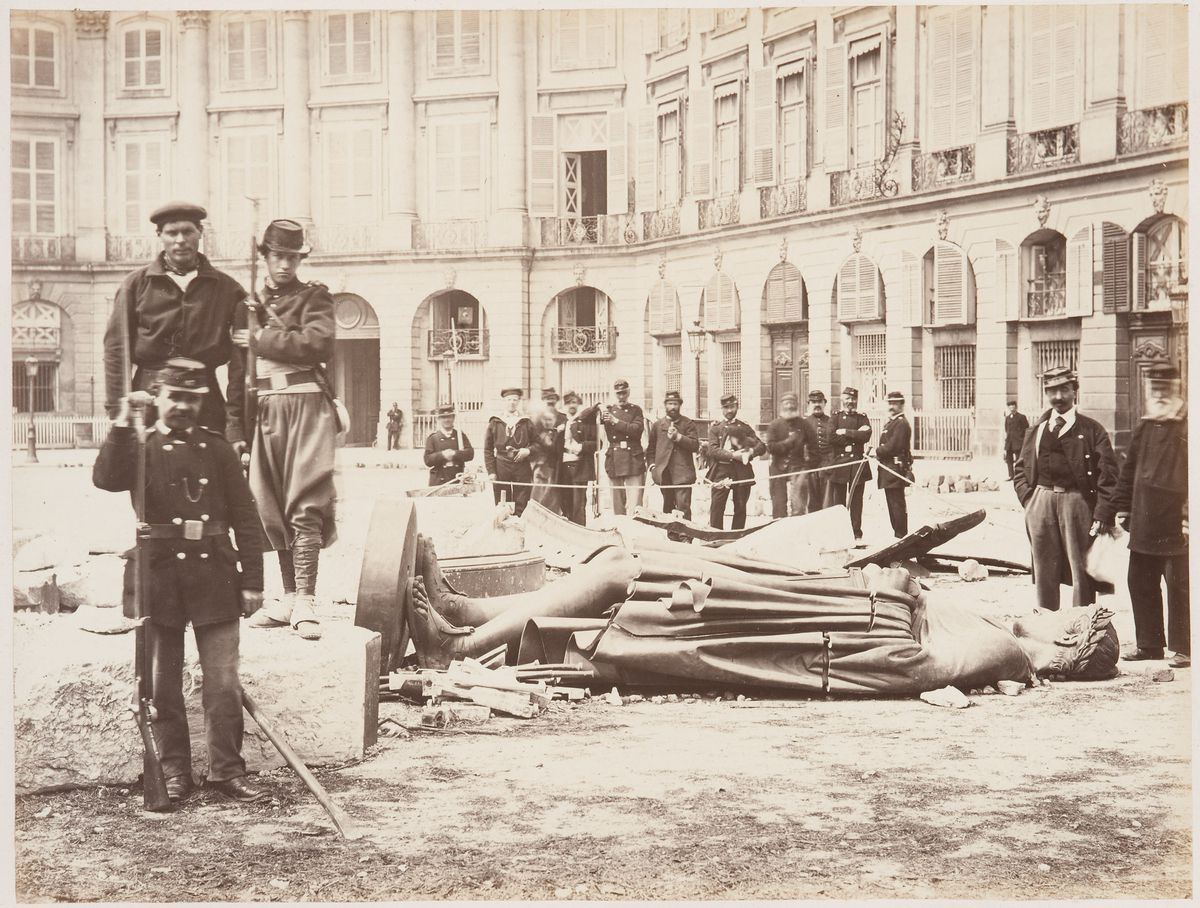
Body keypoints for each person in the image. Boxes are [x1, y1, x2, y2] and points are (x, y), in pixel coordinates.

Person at [404, 526, 1120, 694]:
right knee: (619, 570)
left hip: (797, 618)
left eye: (1065, 621)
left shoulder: (1005, 652)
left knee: (625, 576)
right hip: (807, 599)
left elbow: (906, 663)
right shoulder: (1002, 640)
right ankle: (465, 613)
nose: (1048, 613)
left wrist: (897, 592)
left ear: (1068, 647)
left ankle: (457, 644)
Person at [92, 361, 267, 803]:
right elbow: (105, 478)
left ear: (201, 402)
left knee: (223, 682)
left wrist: (253, 582)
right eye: (175, 397)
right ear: (158, 398)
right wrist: (123, 421)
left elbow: (246, 518)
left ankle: (227, 771)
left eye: (192, 399)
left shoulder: (218, 449)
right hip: (159, 577)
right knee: (161, 685)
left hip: (215, 574)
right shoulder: (140, 445)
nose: (183, 406)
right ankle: (173, 773)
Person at [235, 220, 338, 643]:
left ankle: (307, 600)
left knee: (305, 499)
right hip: (264, 408)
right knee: (271, 504)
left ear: (300, 260)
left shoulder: (315, 297)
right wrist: (236, 429)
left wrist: (260, 338)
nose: (284, 265)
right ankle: (289, 597)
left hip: (306, 404)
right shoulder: (249, 304)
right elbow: (239, 373)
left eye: (292, 258)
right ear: (265, 257)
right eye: (277, 256)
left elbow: (318, 343)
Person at [103, 202, 247, 436]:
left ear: (200, 232)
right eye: (172, 233)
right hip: (148, 399)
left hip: (204, 399)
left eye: (188, 231)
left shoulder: (228, 289)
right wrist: (118, 410)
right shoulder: (135, 285)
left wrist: (234, 422)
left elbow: (241, 363)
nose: (180, 240)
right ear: (160, 235)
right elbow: (116, 351)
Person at [1093, 364, 1189, 667]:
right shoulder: (1145, 426)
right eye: (1155, 388)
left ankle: (1185, 647)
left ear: (1176, 389)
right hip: (1145, 521)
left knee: (1180, 586)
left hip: (1177, 523)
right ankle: (1150, 645)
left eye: (1165, 388)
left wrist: (1188, 516)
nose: (1159, 394)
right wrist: (1121, 507)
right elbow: (1128, 471)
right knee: (1140, 581)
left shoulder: (1187, 425)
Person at [1012, 366, 1119, 611]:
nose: (1058, 397)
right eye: (1052, 391)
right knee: (1044, 568)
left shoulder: (1092, 430)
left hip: (1077, 502)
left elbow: (1109, 475)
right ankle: (1047, 623)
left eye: (1064, 390)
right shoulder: (1037, 429)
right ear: (1046, 393)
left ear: (1074, 392)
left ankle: (1081, 622)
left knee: (1082, 569)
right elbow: (1021, 467)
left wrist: (1102, 514)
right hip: (1040, 501)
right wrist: (1029, 499)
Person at [704, 394, 766, 530]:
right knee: (717, 506)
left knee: (741, 506)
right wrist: (733, 455)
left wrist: (750, 452)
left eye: (732, 407)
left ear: (737, 407)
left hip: (741, 471)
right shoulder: (715, 428)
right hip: (721, 471)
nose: (729, 410)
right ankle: (716, 534)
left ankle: (737, 534)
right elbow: (712, 450)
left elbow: (761, 446)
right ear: (722, 409)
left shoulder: (744, 427)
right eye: (726, 407)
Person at [646, 390, 701, 532]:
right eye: (670, 404)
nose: (672, 407)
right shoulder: (657, 425)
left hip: (683, 474)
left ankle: (685, 536)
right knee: (668, 507)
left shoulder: (688, 424)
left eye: (675, 404)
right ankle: (672, 535)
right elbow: (650, 450)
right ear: (665, 405)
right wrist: (653, 467)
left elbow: (695, 445)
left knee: (683, 507)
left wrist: (679, 437)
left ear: (680, 405)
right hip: (664, 474)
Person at [824, 387, 872, 541]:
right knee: (838, 502)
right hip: (840, 463)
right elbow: (831, 437)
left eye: (853, 399)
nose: (850, 402)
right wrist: (856, 436)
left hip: (857, 463)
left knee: (857, 501)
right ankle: (840, 533)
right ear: (842, 400)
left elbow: (866, 436)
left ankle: (856, 533)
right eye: (847, 399)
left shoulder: (862, 417)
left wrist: (845, 431)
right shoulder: (835, 418)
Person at [484, 388, 535, 516]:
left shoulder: (526, 422)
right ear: (504, 401)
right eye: (509, 400)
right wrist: (491, 471)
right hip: (501, 465)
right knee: (502, 501)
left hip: (521, 465)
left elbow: (538, 444)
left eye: (515, 400)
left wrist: (528, 450)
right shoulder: (495, 422)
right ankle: (504, 525)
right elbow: (488, 449)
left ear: (519, 402)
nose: (512, 402)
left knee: (522, 500)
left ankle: (520, 524)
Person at [765, 392, 815, 518]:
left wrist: (807, 468)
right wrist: (787, 443)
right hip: (777, 468)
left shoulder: (804, 425)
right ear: (781, 406)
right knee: (778, 506)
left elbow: (814, 448)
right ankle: (779, 528)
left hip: (798, 468)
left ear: (797, 405)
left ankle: (797, 529)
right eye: (786, 404)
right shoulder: (774, 425)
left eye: (792, 404)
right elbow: (770, 447)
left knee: (799, 507)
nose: (789, 406)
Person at [601, 379, 646, 515]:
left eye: (624, 393)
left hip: (633, 457)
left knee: (635, 504)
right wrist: (598, 407)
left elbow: (636, 430)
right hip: (614, 458)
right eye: (618, 393)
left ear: (629, 392)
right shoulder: (608, 411)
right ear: (614, 394)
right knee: (617, 504)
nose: (621, 396)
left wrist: (615, 421)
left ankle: (635, 526)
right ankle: (619, 525)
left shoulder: (636, 410)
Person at [876, 390, 913, 538]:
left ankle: (901, 535)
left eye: (895, 403)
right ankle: (898, 535)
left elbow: (893, 446)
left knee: (897, 504)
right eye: (890, 403)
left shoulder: (901, 424)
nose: (891, 406)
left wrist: (878, 451)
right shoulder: (892, 423)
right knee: (892, 504)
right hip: (888, 470)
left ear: (902, 405)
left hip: (895, 470)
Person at [558, 391, 598, 526]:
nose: (571, 405)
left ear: (579, 404)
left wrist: (582, 447)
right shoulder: (561, 421)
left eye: (574, 402)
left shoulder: (586, 422)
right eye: (568, 403)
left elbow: (598, 443)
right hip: (563, 466)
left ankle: (580, 529)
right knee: (564, 502)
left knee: (578, 504)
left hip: (580, 466)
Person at [530, 388, 567, 514]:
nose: (550, 402)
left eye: (553, 399)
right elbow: (533, 439)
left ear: (556, 400)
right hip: (541, 461)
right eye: (547, 399)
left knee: (554, 494)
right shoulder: (536, 419)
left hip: (558, 461)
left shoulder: (563, 418)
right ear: (543, 400)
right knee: (539, 492)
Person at [423, 404, 474, 487]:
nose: (446, 420)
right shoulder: (433, 438)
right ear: (438, 419)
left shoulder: (460, 436)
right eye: (443, 417)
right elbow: (427, 460)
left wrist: (455, 453)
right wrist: (442, 455)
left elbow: (470, 454)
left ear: (453, 418)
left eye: (449, 417)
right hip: (438, 481)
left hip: (457, 479)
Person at [804, 390, 833, 512]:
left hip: (828, 467)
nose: (817, 404)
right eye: (813, 402)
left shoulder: (832, 421)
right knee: (811, 503)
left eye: (820, 402)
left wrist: (831, 463)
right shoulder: (804, 423)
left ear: (825, 403)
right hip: (810, 468)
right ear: (809, 404)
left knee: (828, 503)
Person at [1003, 401, 1029, 481]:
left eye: (1013, 406)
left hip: (1018, 442)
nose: (1011, 408)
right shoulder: (1007, 418)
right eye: (1010, 406)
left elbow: (1026, 429)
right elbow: (1006, 429)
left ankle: (1018, 475)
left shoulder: (1021, 417)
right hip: (1009, 443)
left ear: (1016, 407)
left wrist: (1022, 438)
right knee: (1009, 460)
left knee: (1019, 460)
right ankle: (1011, 475)